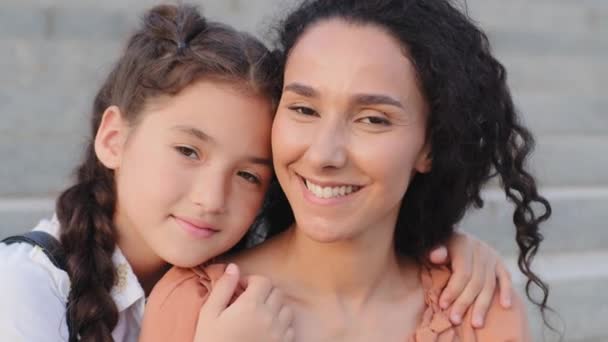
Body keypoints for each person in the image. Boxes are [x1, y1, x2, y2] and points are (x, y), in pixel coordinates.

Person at [0, 3, 514, 342]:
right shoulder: (23, 287)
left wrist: (444, 239)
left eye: (249, 174)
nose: (210, 198)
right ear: (114, 138)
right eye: (188, 151)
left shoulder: (467, 299)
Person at [140, 0, 551, 341]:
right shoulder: (198, 304)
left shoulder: (475, 312)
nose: (324, 155)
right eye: (304, 109)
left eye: (373, 119)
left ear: (429, 146)